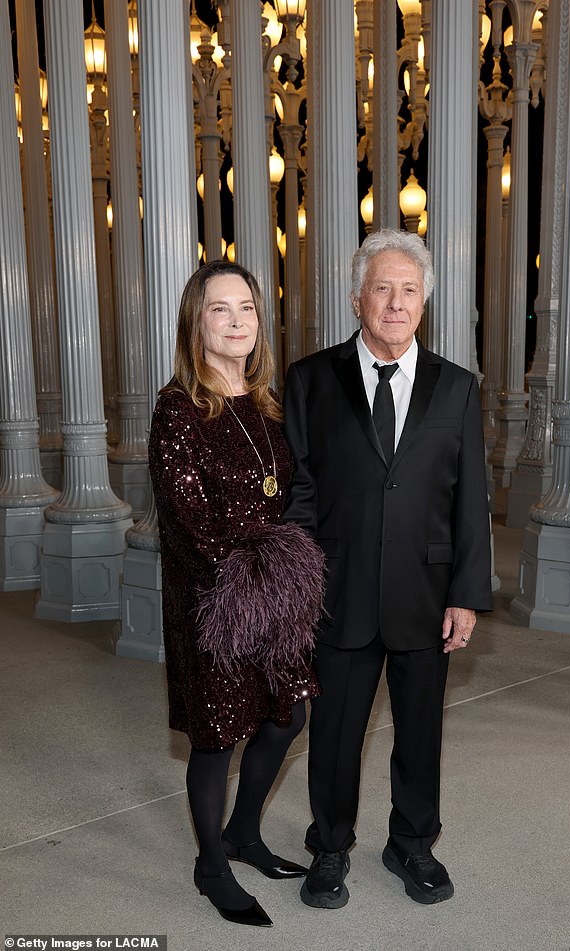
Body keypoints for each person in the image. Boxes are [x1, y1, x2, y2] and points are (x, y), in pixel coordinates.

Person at [283, 228, 492, 910]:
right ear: (357, 299)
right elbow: (300, 491)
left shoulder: (457, 387)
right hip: (337, 592)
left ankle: (412, 843)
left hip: (426, 594)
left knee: (421, 733)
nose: (396, 303)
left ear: (423, 302)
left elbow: (471, 499)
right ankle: (329, 845)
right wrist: (303, 586)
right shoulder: (311, 379)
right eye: (382, 289)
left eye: (409, 290)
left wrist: (465, 594)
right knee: (335, 734)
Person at [148, 260, 322, 929]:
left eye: (246, 307)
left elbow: (288, 493)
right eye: (219, 308)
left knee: (287, 717)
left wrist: (284, 576)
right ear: (196, 323)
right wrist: (251, 582)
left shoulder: (269, 402)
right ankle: (211, 866)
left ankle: (244, 832)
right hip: (213, 597)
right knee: (218, 733)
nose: (236, 320)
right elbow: (186, 521)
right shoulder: (177, 409)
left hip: (274, 590)